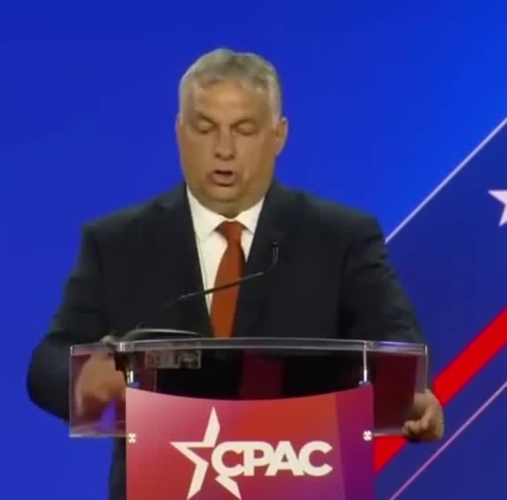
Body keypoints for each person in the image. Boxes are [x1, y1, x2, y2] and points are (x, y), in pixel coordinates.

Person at [26, 48, 444, 499]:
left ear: (278, 136)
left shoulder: (340, 237)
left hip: (297, 484)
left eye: (243, 130)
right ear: (179, 132)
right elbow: (48, 361)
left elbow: (395, 338)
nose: (223, 150)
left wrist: (409, 394)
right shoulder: (119, 242)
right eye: (205, 128)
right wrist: (84, 379)